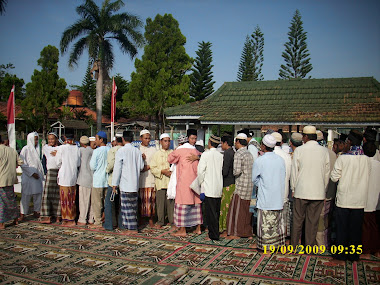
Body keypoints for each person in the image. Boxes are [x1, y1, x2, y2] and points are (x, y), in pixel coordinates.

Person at [330, 130, 371, 261]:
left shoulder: (343, 158)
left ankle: (341, 254)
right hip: (359, 200)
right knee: (355, 230)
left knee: (342, 229)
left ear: (350, 143)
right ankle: (353, 255)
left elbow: (334, 178)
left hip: (344, 199)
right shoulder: (366, 159)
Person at [290, 125, 330, 247]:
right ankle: (309, 247)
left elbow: (294, 172)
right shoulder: (324, 151)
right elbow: (326, 173)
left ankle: (294, 245)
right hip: (317, 192)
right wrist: (324, 190)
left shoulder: (299, 150)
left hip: (301, 190)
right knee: (312, 223)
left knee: (297, 221)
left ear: (305, 137)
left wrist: (293, 188)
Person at [251, 134, 286, 250]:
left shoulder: (260, 161)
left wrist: (263, 185)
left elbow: (254, 179)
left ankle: (265, 246)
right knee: (276, 224)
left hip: (265, 197)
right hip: (278, 196)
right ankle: (276, 245)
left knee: (265, 224)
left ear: (263, 146)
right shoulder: (281, 160)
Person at [168, 132, 202, 237]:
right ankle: (198, 228)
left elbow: (169, 159)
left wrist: (177, 149)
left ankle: (182, 230)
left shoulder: (180, 150)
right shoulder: (196, 151)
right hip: (195, 181)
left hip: (183, 181)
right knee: (196, 205)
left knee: (182, 205)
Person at [112, 131, 144, 233]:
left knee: (126, 208)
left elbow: (117, 169)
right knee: (133, 208)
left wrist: (114, 184)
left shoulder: (121, 151)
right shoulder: (137, 151)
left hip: (125, 183)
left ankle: (131, 228)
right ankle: (131, 227)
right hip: (134, 183)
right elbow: (141, 167)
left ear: (123, 139)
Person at [226, 133, 254, 239]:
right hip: (249, 184)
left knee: (238, 210)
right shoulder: (249, 153)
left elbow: (236, 171)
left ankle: (237, 232)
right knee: (247, 210)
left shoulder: (238, 154)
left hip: (241, 185)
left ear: (237, 142)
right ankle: (247, 232)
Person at [198, 135, 223, 241]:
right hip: (218, 186)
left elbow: (200, 171)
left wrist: (199, 184)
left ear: (209, 143)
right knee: (216, 212)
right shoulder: (220, 155)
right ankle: (214, 232)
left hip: (208, 187)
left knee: (210, 213)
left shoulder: (205, 154)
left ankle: (213, 235)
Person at [316, 130, 337, 247]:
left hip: (320, 193)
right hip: (330, 192)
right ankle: (326, 241)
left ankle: (320, 244)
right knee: (326, 219)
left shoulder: (318, 154)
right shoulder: (332, 154)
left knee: (319, 220)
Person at [150, 133, 174, 228]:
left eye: (168, 141)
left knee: (171, 203)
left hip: (171, 182)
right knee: (160, 203)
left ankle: (172, 221)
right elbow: (152, 168)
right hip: (160, 181)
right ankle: (160, 221)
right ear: (161, 142)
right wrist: (162, 171)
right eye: (165, 141)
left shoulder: (172, 153)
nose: (167, 143)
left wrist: (171, 172)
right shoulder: (156, 154)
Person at [55, 134, 80, 225]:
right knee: (72, 199)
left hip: (64, 176)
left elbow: (57, 162)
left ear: (65, 138)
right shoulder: (76, 148)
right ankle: (72, 219)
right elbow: (78, 163)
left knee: (64, 199)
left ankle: (66, 219)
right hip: (73, 176)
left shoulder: (61, 148)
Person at [19, 132, 44, 221]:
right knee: (26, 195)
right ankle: (23, 213)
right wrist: (32, 173)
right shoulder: (25, 149)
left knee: (38, 194)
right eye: (35, 139)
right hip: (28, 176)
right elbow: (22, 163)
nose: (36, 141)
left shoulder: (38, 149)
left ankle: (36, 210)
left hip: (37, 176)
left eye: (37, 139)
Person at [361, 142, 380, 258]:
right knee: (375, 226)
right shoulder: (378, 164)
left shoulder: (364, 164)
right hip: (377, 200)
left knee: (366, 227)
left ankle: (366, 251)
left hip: (366, 199)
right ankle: (377, 250)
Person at [272, 132, 292, 237]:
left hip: (271, 194)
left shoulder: (270, 155)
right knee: (282, 220)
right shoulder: (287, 156)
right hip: (284, 191)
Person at [0, 135, 23, 229]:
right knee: (11, 200)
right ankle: (15, 219)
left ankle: (1, 222)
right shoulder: (12, 150)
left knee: (1, 202)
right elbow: (20, 162)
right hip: (11, 178)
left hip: (1, 178)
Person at [89, 131, 110, 228]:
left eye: (96, 139)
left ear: (101, 140)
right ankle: (107, 220)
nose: (95, 141)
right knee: (106, 202)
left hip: (98, 181)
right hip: (108, 180)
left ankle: (98, 222)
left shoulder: (96, 151)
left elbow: (92, 166)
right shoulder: (110, 150)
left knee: (97, 203)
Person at [40, 132, 61, 224]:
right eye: (49, 139)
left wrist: (58, 152)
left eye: (52, 139)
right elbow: (50, 153)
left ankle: (58, 216)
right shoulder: (46, 148)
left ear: (56, 139)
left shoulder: (60, 148)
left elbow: (60, 153)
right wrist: (57, 152)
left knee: (58, 195)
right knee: (48, 194)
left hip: (59, 172)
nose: (51, 141)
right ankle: (47, 216)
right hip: (50, 172)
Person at [104, 136, 123, 230]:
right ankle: (121, 225)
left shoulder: (113, 150)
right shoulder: (126, 150)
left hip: (113, 181)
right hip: (123, 181)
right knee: (120, 204)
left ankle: (109, 225)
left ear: (115, 141)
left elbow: (111, 164)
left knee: (109, 203)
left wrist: (107, 170)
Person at [138, 130, 157, 227]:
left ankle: (150, 219)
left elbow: (155, 163)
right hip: (141, 179)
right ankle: (141, 218)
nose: (148, 140)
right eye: (145, 138)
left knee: (151, 200)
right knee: (142, 200)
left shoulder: (153, 149)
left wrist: (148, 167)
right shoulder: (137, 150)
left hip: (150, 178)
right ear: (141, 138)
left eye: (149, 138)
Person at [219, 135, 235, 236]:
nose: (221, 145)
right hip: (232, 183)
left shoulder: (228, 153)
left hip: (227, 183)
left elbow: (225, 171)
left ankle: (225, 229)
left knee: (225, 207)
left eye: (222, 143)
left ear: (225, 143)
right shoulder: (232, 152)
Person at [76, 136, 94, 226]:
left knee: (83, 201)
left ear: (81, 143)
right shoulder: (93, 151)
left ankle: (82, 219)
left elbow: (77, 163)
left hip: (83, 178)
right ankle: (91, 219)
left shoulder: (80, 151)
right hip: (92, 179)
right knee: (91, 201)